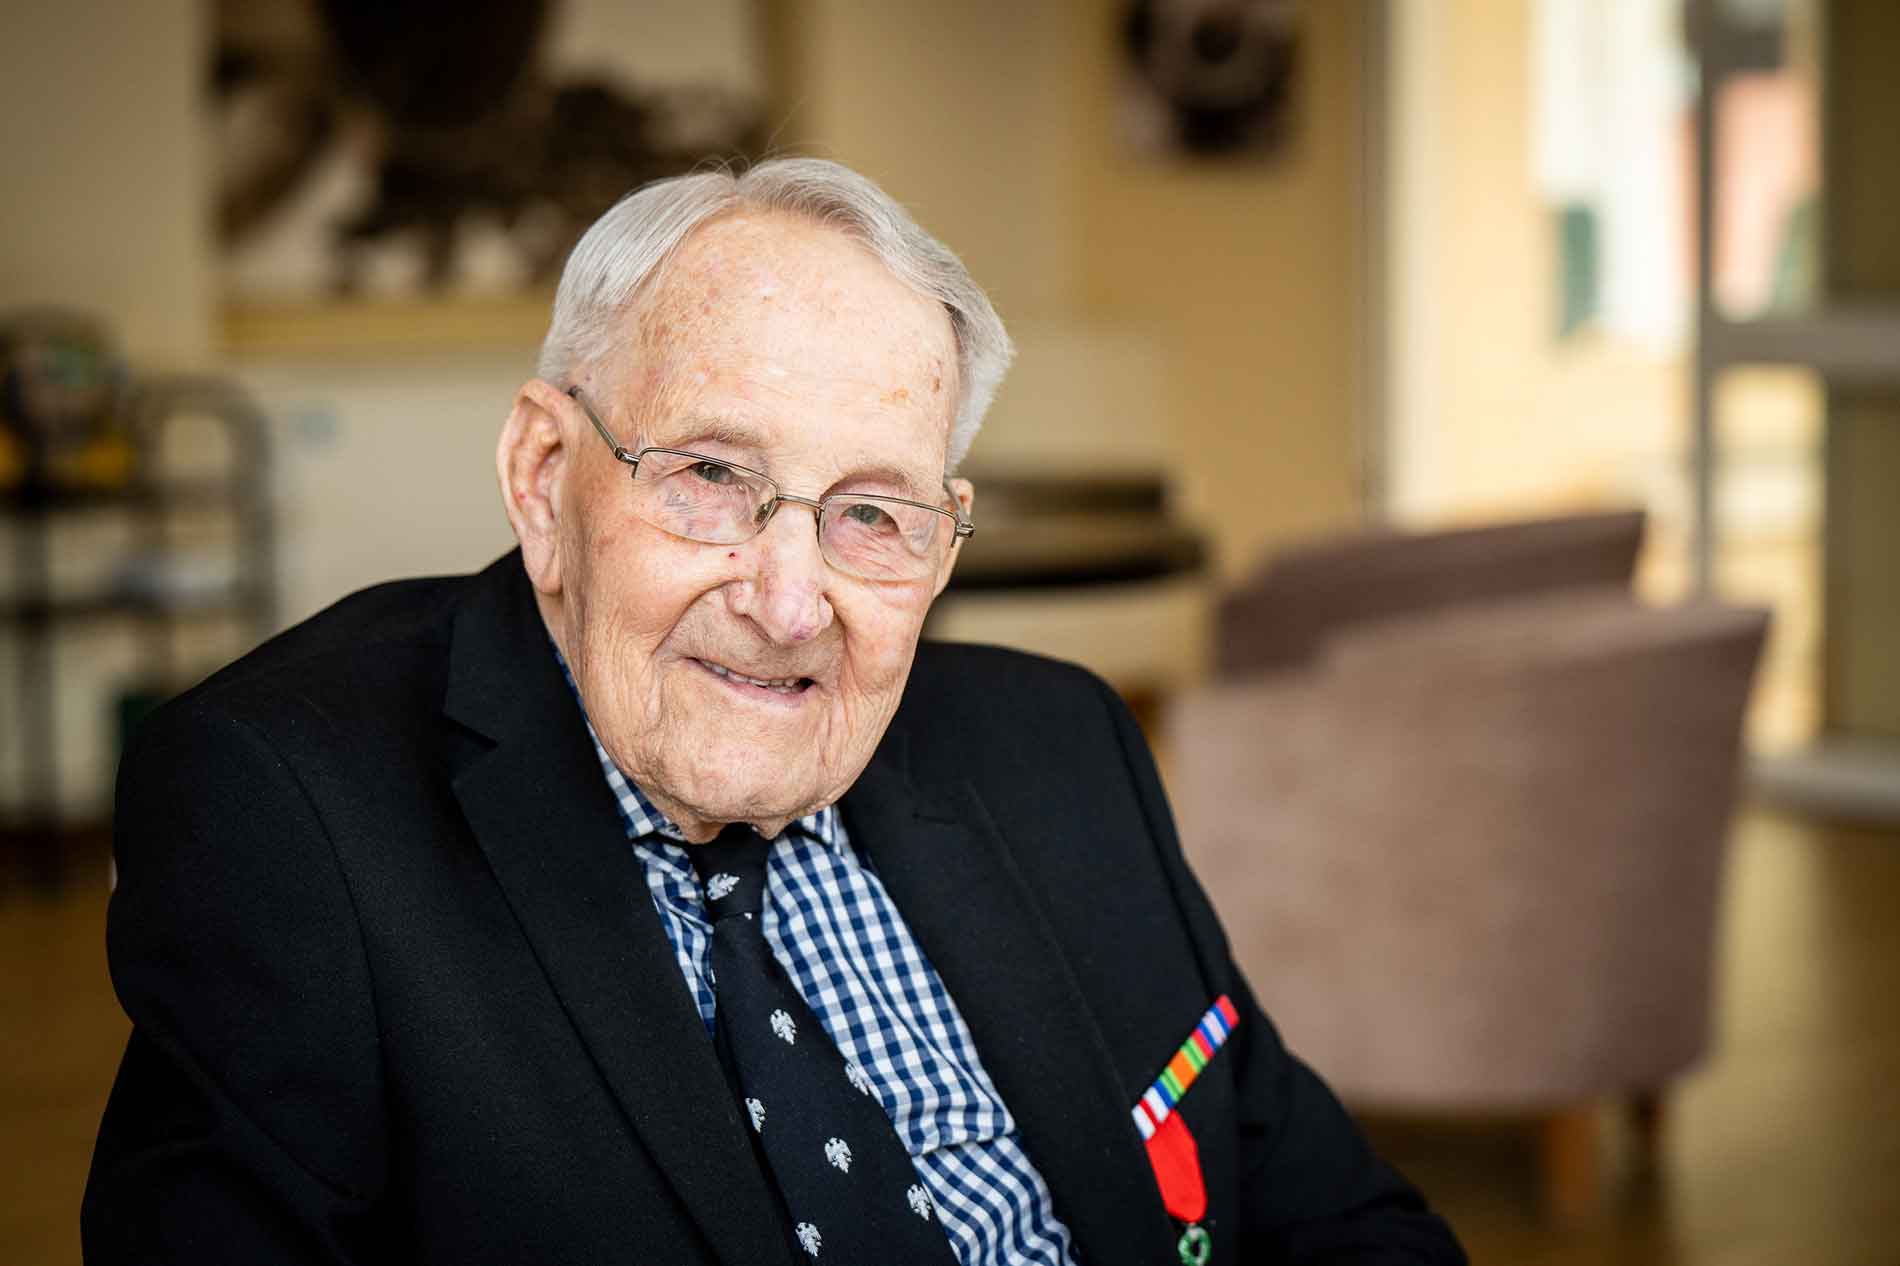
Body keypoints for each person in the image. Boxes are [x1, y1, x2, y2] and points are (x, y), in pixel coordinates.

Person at [83, 158, 1463, 1265]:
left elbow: (1323, 1207)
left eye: (872, 512)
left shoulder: (1064, 746)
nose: (788, 598)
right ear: (545, 471)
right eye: (709, 476)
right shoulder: (285, 813)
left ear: (944, 535)